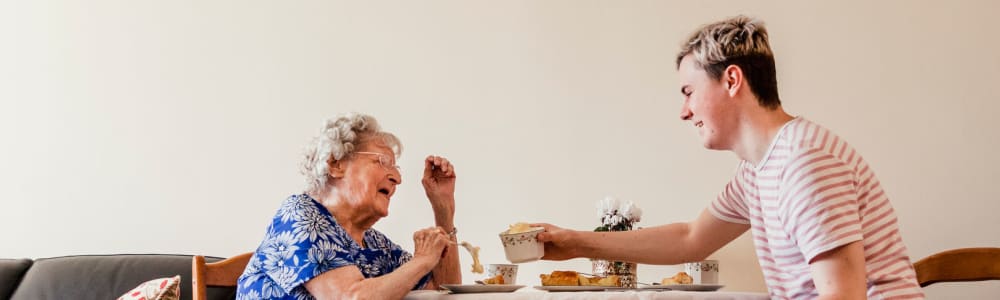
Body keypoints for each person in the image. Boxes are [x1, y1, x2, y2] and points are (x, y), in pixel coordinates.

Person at [534, 16, 924, 299]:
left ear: (732, 80)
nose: (684, 111)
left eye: (689, 91)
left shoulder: (806, 163)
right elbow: (690, 239)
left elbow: (843, 297)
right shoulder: (760, 170)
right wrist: (576, 243)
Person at [237, 113, 460, 300]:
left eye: (396, 167)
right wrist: (422, 260)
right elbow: (349, 297)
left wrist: (444, 211)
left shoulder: (375, 244)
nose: (397, 178)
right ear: (336, 164)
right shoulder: (300, 215)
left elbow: (444, 291)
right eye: (383, 161)